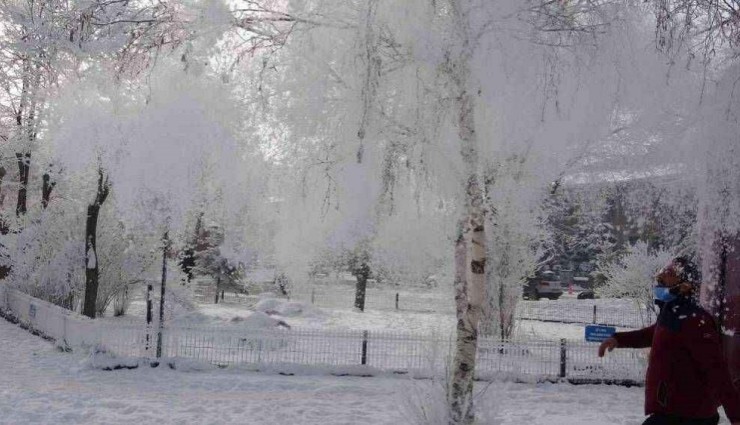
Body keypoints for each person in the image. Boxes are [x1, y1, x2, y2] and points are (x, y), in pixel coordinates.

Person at [598, 256, 740, 425]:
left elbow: (716, 368)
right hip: (672, 410)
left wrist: (735, 415)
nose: (661, 279)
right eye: (662, 274)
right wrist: (618, 339)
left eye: (669, 275)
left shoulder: (694, 320)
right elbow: (655, 333)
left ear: (686, 285)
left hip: (688, 415)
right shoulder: (673, 312)